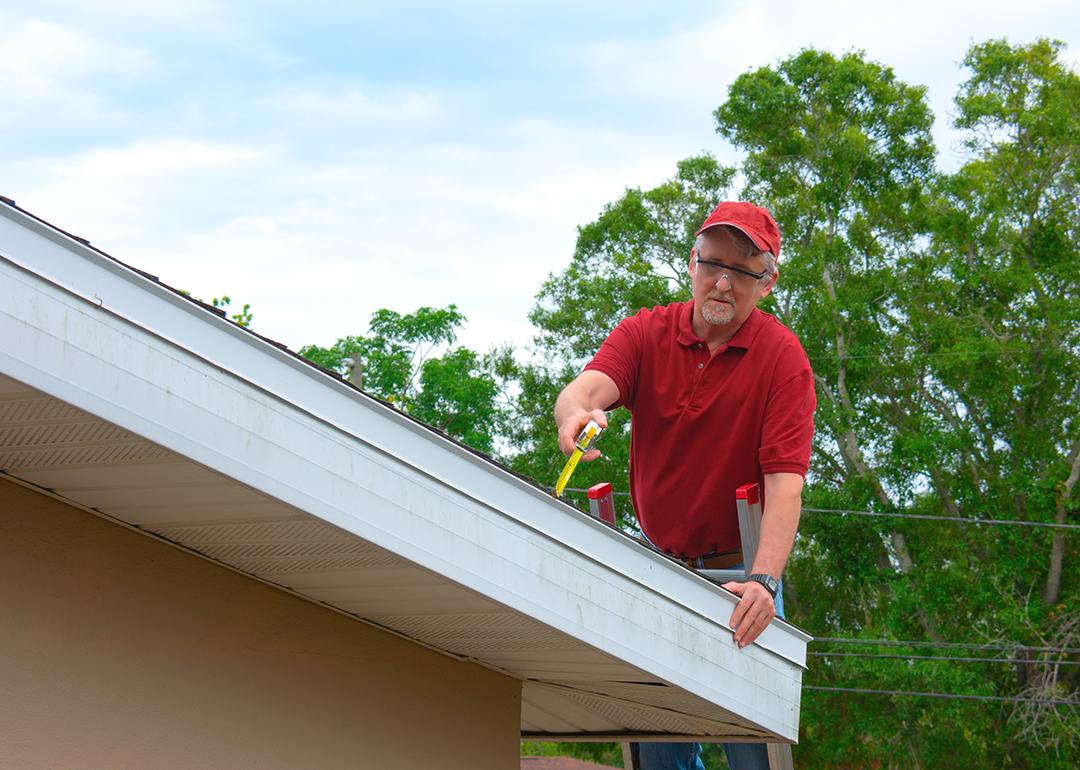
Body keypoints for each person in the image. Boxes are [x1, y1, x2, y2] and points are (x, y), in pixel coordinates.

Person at [553, 202, 816, 770]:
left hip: (739, 583)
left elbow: (786, 485)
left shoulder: (782, 360)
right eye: (711, 264)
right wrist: (575, 414)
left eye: (742, 270)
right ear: (691, 264)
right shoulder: (646, 333)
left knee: (752, 752)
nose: (722, 282)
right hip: (659, 569)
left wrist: (765, 584)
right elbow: (586, 389)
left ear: (766, 282)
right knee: (657, 752)